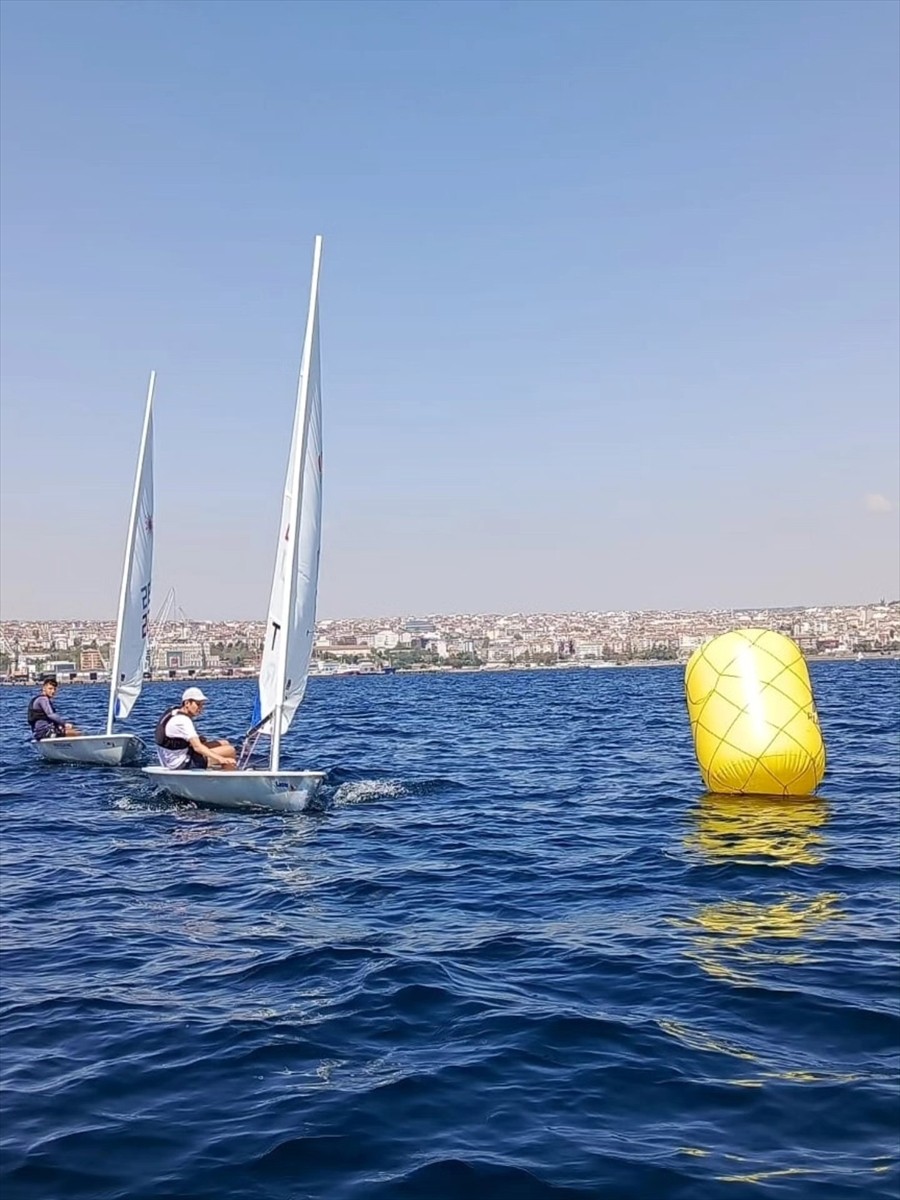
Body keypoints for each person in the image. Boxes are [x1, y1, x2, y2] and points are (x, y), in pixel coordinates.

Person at [154, 686, 237, 770]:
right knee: (230, 751)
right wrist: (221, 759)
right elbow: (197, 747)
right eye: (198, 704)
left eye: (202, 704)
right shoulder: (183, 720)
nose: (201, 708)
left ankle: (218, 770)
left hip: (172, 756)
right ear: (187, 703)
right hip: (179, 763)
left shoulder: (173, 711)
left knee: (224, 743)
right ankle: (227, 778)